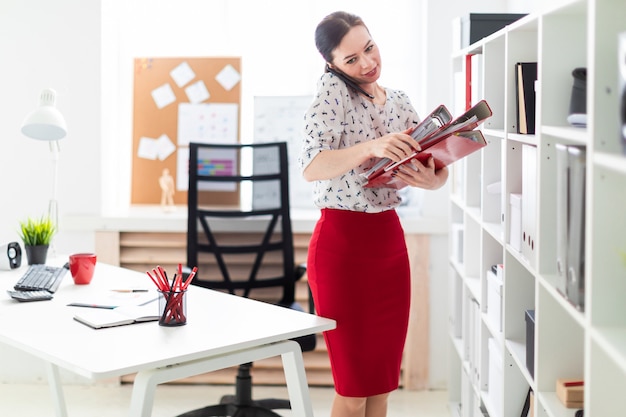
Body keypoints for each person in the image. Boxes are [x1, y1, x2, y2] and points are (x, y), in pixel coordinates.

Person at [299, 11, 448, 417]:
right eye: (352, 60)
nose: (367, 63)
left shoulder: (398, 100)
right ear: (332, 65)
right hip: (342, 248)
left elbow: (433, 164)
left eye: (369, 48)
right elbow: (312, 165)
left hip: (388, 244)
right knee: (353, 390)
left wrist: (433, 181)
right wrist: (371, 147)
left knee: (381, 387)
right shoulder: (332, 91)